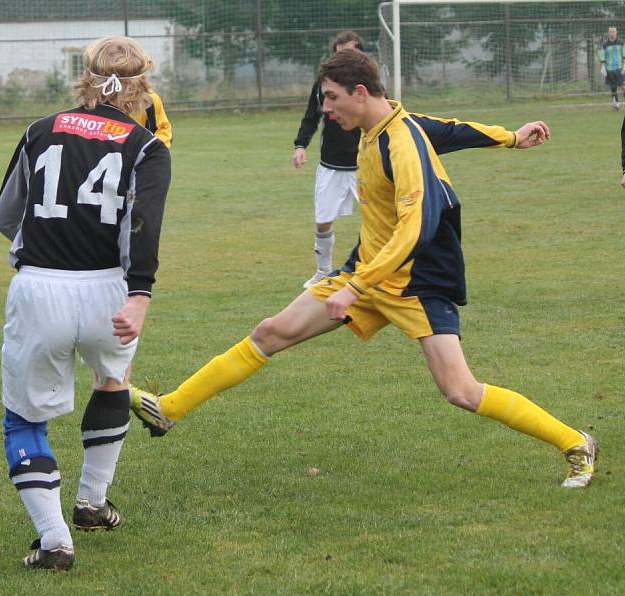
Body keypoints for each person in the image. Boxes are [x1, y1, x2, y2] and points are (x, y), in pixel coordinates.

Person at [130, 50, 598, 491]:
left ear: (360, 91)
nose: (327, 110)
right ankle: (169, 408)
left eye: (331, 98)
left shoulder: (403, 145)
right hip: (369, 271)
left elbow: (417, 229)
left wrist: (357, 287)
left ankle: (575, 442)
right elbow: (453, 129)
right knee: (271, 332)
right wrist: (512, 137)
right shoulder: (388, 122)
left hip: (416, 282)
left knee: (461, 390)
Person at [0, 36, 171, 570]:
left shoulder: (39, 130)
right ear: (143, 85)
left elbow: (7, 216)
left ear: (84, 76)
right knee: (113, 382)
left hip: (40, 286)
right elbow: (145, 227)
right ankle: (92, 501)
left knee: (23, 418)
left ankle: (53, 541)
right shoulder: (147, 145)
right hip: (111, 290)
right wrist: (139, 293)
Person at [294, 31, 364, 289]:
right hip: (331, 166)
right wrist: (300, 145)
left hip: (364, 165)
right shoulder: (323, 85)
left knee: (380, 217)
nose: (345, 58)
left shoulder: (368, 86)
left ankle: (381, 269)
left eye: (351, 53)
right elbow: (311, 116)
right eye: (340, 53)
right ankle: (323, 272)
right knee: (323, 220)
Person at [599, 26, 625, 111]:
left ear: (616, 32)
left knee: (623, 86)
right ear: (608, 32)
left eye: (614, 31)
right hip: (609, 69)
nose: (612, 33)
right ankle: (616, 105)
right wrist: (602, 67)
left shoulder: (621, 43)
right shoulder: (605, 45)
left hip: (620, 68)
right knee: (613, 88)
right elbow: (602, 56)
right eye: (610, 31)